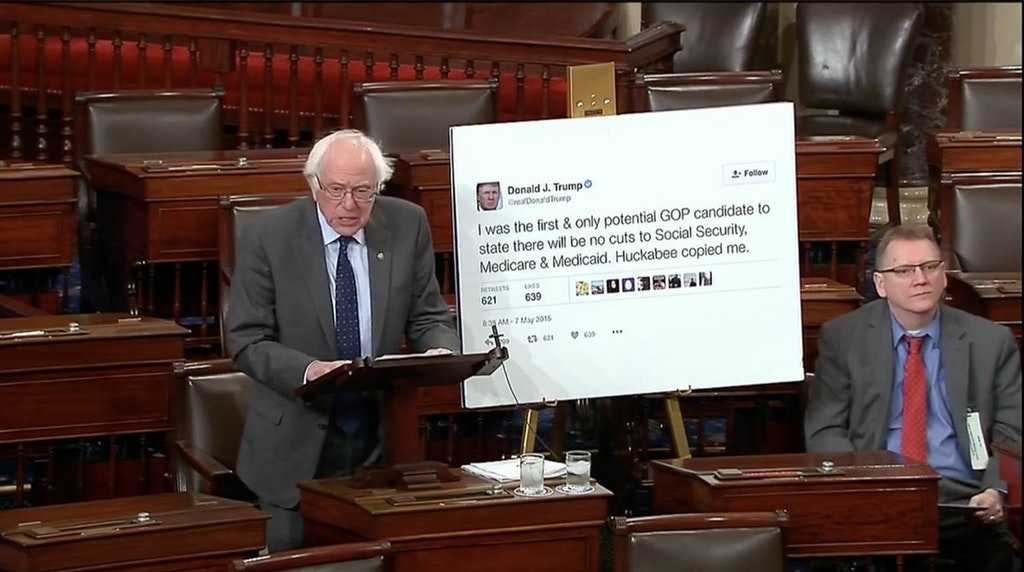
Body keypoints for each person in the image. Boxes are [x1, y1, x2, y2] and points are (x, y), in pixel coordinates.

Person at [227, 129, 459, 552]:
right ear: (314, 185)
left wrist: (440, 350)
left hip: (381, 441)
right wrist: (310, 369)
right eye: (336, 190)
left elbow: (428, 316)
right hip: (293, 448)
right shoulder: (268, 237)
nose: (349, 205)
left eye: (363, 192)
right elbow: (246, 340)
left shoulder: (408, 225)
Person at [805, 224, 1021, 572]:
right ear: (880, 284)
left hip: (965, 502)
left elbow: (1014, 429)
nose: (920, 279)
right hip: (876, 495)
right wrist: (859, 488)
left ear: (944, 275)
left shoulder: (991, 342)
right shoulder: (843, 338)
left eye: (930, 266)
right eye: (903, 270)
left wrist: (997, 489)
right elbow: (825, 429)